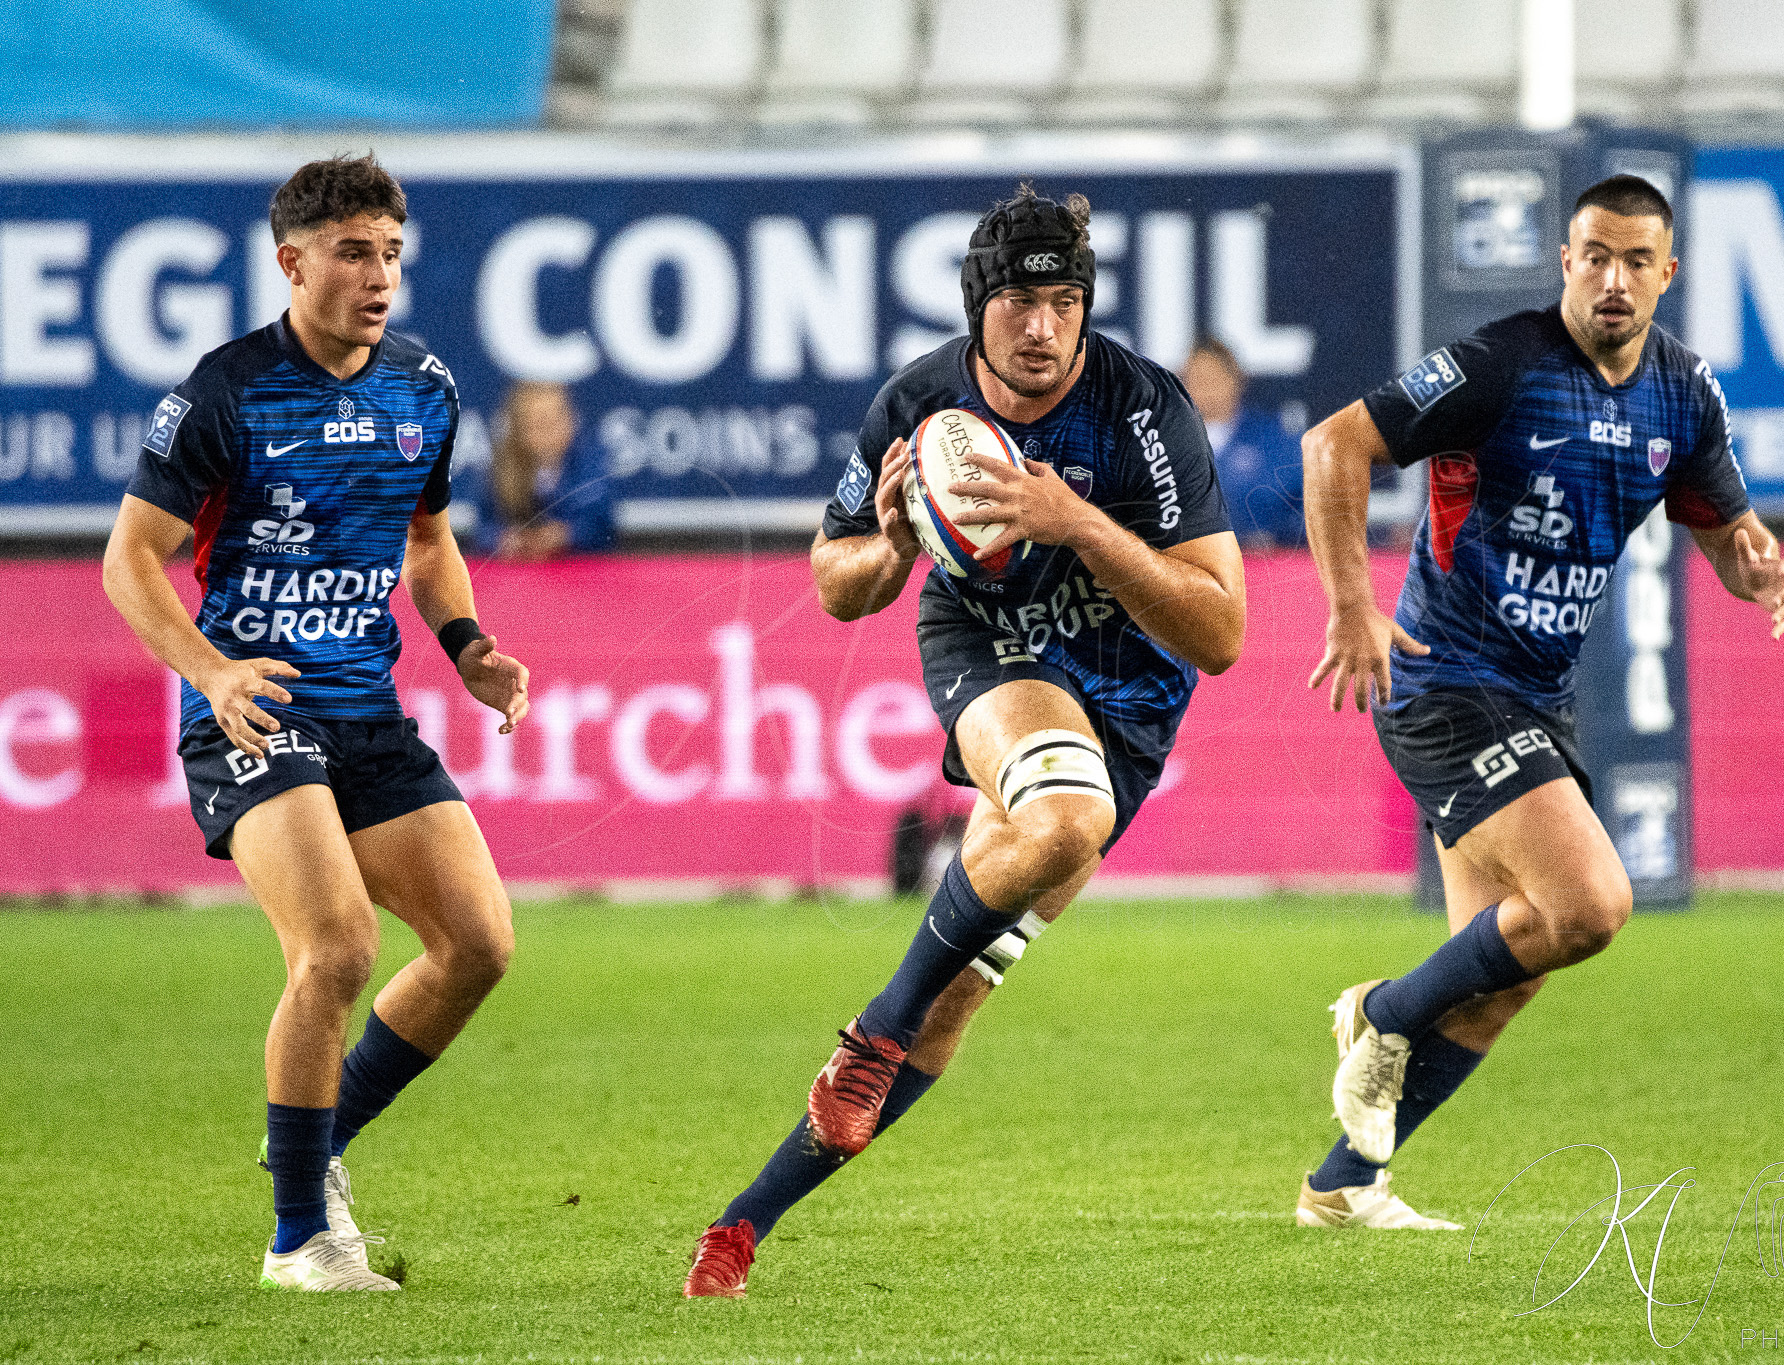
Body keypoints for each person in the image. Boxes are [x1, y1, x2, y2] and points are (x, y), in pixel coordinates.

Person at [683, 184, 1246, 1298]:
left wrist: (1076, 520)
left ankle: (737, 1229)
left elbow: (1221, 630)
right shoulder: (916, 402)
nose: (1041, 326)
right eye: (1019, 302)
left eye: (1064, 300)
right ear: (977, 305)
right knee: (1062, 816)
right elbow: (835, 585)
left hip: (1131, 695)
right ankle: (870, 1030)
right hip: (990, 647)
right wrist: (890, 544)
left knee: (957, 1006)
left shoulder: (1142, 410)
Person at [1290, 174, 1784, 1230]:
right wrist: (1351, 606)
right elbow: (1334, 442)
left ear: (1667, 273)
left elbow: (1719, 526)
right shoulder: (1501, 365)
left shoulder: (1680, 392)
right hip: (1440, 680)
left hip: (1536, 700)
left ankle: (1345, 1183)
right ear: (1564, 261)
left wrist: (1752, 567)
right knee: (1589, 907)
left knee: (1504, 975)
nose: (1611, 279)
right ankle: (1378, 1015)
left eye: (1633, 261)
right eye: (1592, 256)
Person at [102, 154, 530, 1290]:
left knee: (480, 944)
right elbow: (129, 560)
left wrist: (468, 647)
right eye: (352, 252)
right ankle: (299, 1238)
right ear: (291, 262)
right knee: (337, 944)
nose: (378, 274)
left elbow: (428, 540)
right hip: (257, 713)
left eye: (390, 251)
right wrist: (211, 672)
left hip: (366, 713)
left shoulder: (423, 389)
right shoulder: (226, 391)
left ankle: (313, 1138)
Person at [1179, 336, 1304, 549]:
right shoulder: (1162, 442)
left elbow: (1307, 510)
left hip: (1267, 570)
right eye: (1197, 379)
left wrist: (1276, 537)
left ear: (1236, 380)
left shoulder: (1275, 442)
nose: (1206, 389)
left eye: (1214, 378)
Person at [478, 380, 614, 560]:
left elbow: (603, 525)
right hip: (519, 577)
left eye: (555, 422)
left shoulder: (591, 462)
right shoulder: (502, 468)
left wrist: (566, 535)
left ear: (571, 420)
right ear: (518, 431)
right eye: (537, 425)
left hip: (579, 573)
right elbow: (482, 529)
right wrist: (504, 539)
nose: (548, 434)